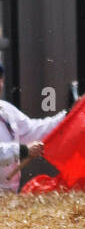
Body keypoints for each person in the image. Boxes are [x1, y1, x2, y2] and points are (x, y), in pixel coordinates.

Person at [0, 61, 66, 192]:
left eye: (0, 78)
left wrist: (68, 115)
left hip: (7, 197)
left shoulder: (6, 110)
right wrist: (23, 150)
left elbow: (34, 131)